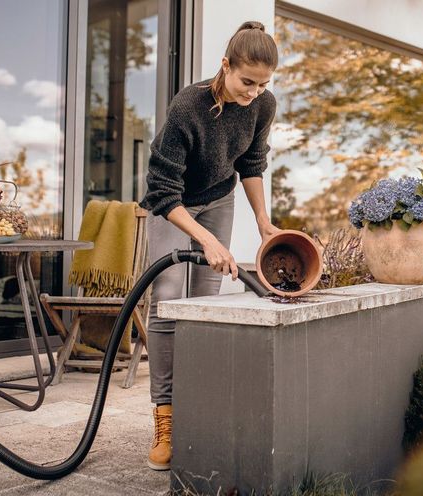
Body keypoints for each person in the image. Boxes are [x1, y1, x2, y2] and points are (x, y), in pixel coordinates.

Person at [138, 20, 280, 471]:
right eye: (246, 82)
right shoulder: (190, 104)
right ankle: (165, 418)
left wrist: (263, 222)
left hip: (219, 197)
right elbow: (161, 189)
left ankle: (197, 413)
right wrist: (207, 240)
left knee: (206, 302)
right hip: (174, 205)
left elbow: (252, 164)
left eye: (263, 84)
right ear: (225, 66)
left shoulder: (262, 104)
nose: (254, 92)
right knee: (166, 300)